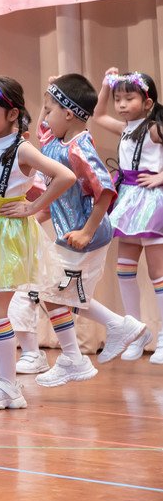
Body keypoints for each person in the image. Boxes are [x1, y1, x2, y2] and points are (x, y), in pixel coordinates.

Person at [0, 77, 74, 409]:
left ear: (12, 114)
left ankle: (9, 386)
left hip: (7, 234)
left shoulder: (21, 148)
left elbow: (65, 176)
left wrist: (32, 207)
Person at [32, 74, 148, 387]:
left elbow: (105, 191)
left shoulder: (79, 148)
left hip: (86, 236)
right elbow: (42, 129)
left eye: (49, 110)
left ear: (69, 114)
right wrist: (51, 93)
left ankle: (75, 358)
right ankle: (118, 327)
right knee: (62, 295)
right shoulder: (56, 143)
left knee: (53, 293)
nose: (45, 118)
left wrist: (86, 231)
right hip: (69, 235)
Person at [93, 69, 163, 363]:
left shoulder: (154, 129)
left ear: (147, 103)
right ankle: (136, 331)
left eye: (128, 98)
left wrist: (161, 176)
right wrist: (104, 86)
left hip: (151, 200)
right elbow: (98, 115)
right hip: (128, 200)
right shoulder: (125, 128)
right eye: (118, 98)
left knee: (158, 272)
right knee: (124, 269)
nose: (121, 104)